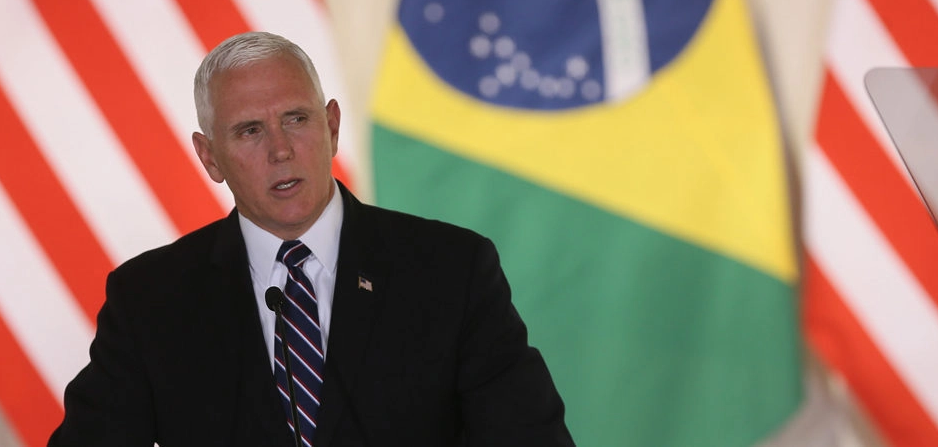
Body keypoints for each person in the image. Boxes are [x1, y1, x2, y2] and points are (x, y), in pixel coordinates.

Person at [48, 31, 574, 447]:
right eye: (250, 130)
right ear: (210, 157)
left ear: (332, 126)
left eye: (296, 119)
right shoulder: (151, 299)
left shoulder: (451, 271)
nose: (280, 150)